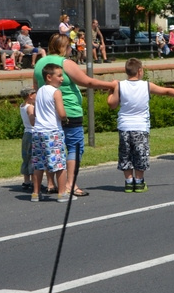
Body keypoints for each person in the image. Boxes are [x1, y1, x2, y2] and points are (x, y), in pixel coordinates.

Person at [34, 34, 117, 198]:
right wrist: (111, 84)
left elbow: (36, 88)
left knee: (55, 149)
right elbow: (87, 82)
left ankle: (53, 184)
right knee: (74, 147)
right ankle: (70, 185)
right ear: (63, 47)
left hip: (49, 115)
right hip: (69, 112)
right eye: (69, 47)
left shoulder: (39, 64)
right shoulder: (65, 63)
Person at [108, 58, 174, 192]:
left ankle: (128, 182)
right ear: (139, 71)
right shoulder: (146, 86)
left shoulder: (120, 86)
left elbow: (112, 104)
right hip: (141, 127)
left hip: (125, 126)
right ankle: (139, 182)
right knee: (140, 153)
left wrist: (111, 89)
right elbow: (167, 91)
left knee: (125, 154)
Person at [31, 62, 69, 202]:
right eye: (59, 76)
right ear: (49, 77)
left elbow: (35, 112)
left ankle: (35, 193)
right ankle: (62, 193)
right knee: (59, 164)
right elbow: (61, 113)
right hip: (52, 131)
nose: (62, 78)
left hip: (38, 132)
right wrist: (65, 118)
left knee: (39, 164)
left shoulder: (39, 91)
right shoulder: (56, 92)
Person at [18, 87, 36, 191]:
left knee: (26, 157)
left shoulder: (22, 106)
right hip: (32, 133)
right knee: (33, 157)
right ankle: (34, 181)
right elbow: (32, 121)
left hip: (26, 133)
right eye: (35, 94)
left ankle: (26, 180)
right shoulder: (30, 107)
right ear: (30, 95)